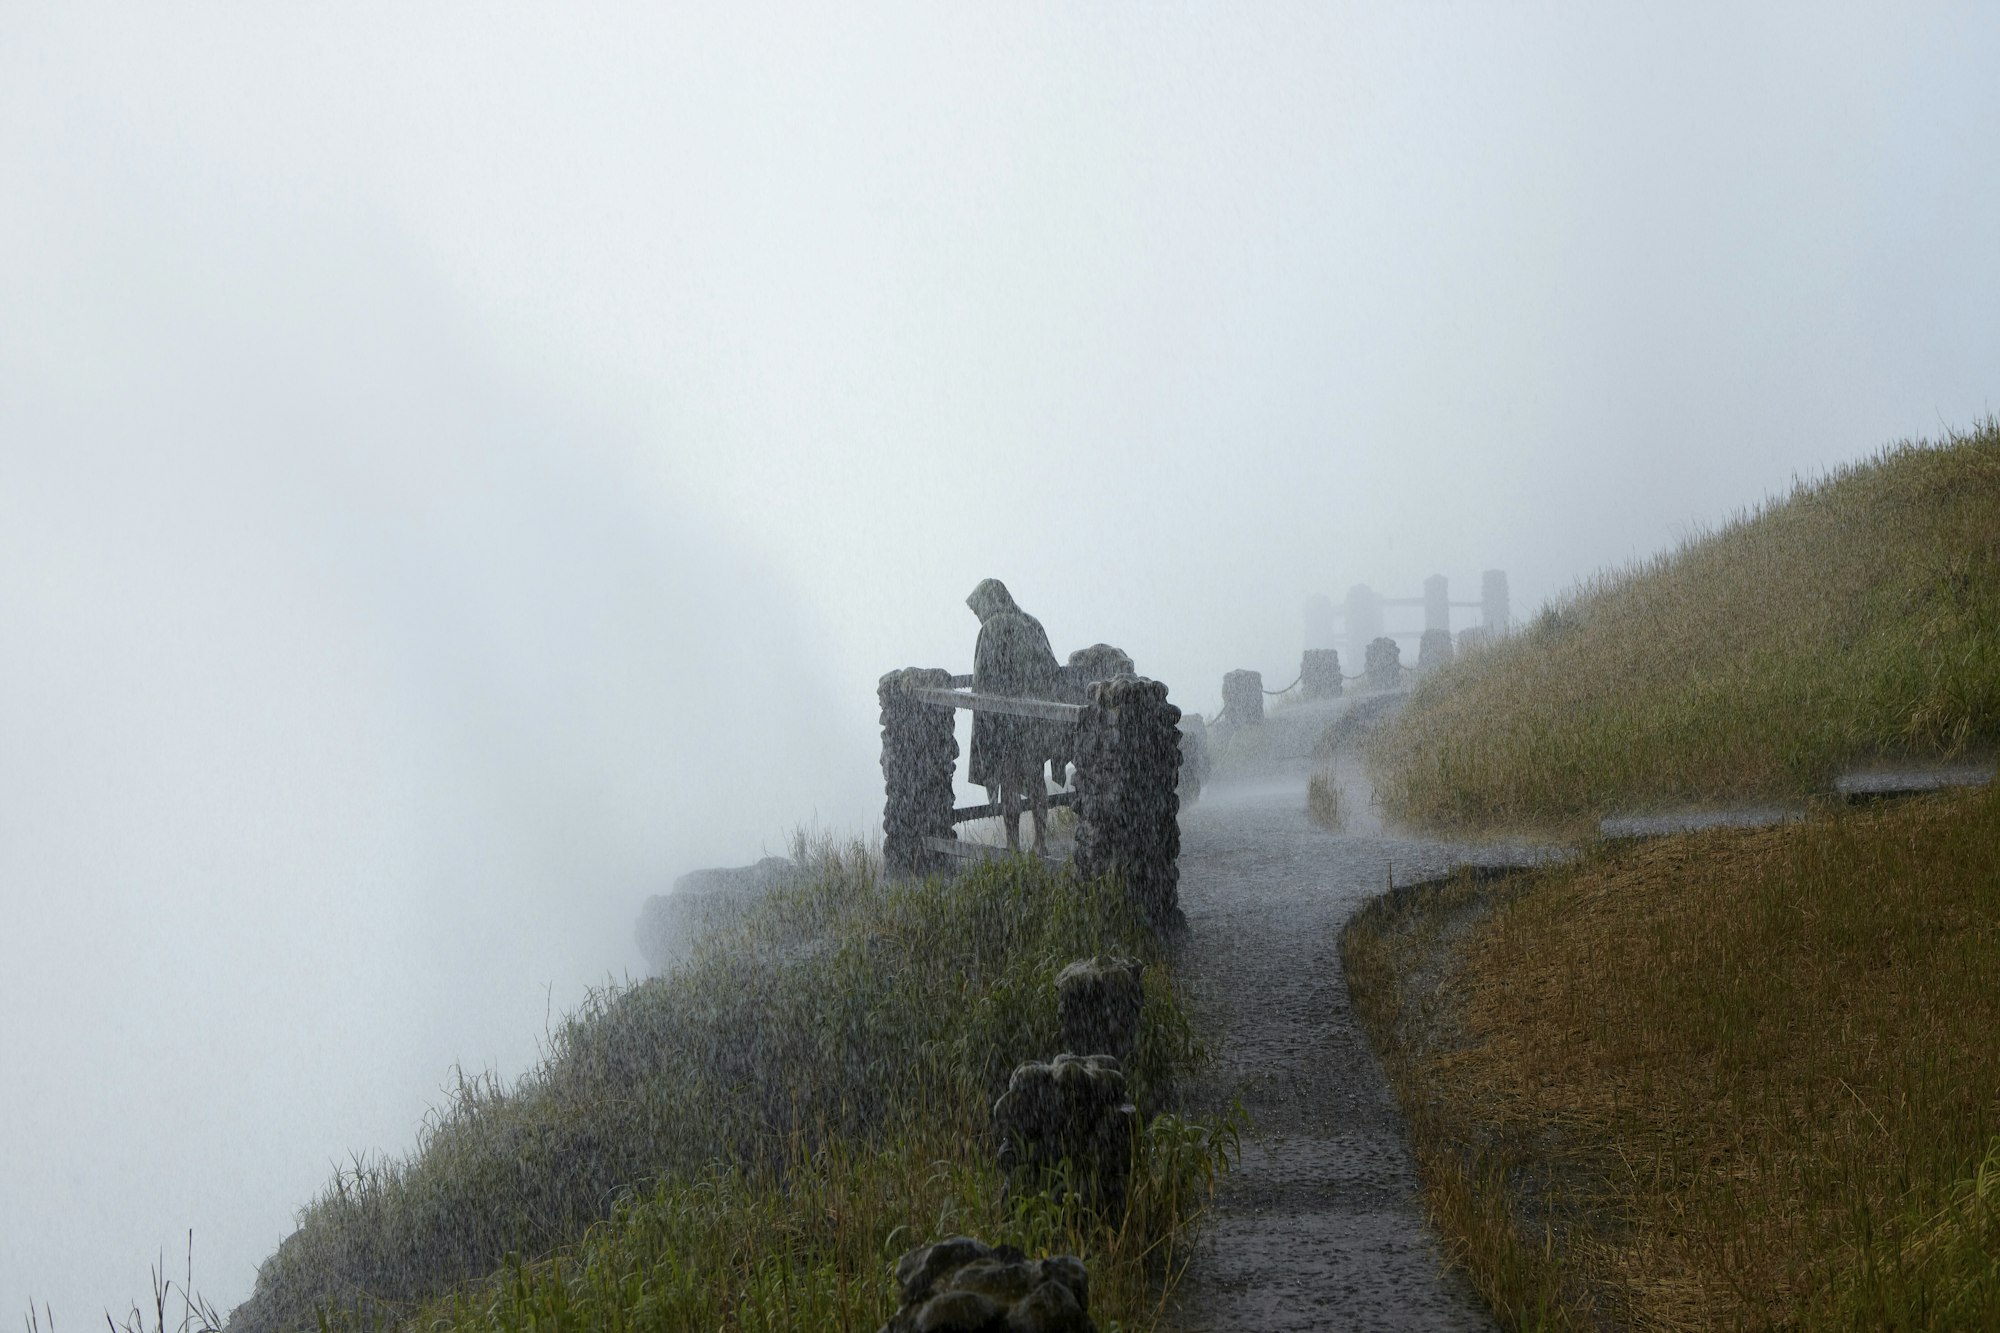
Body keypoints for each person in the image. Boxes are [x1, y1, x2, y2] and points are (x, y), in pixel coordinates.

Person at [967, 578, 1061, 854]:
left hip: (1006, 724)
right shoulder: (1031, 624)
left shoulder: (991, 629)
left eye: (978, 609)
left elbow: (982, 679)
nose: (979, 615)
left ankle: (1012, 844)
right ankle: (1040, 842)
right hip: (1032, 721)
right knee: (1035, 780)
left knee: (1008, 782)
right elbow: (1050, 670)